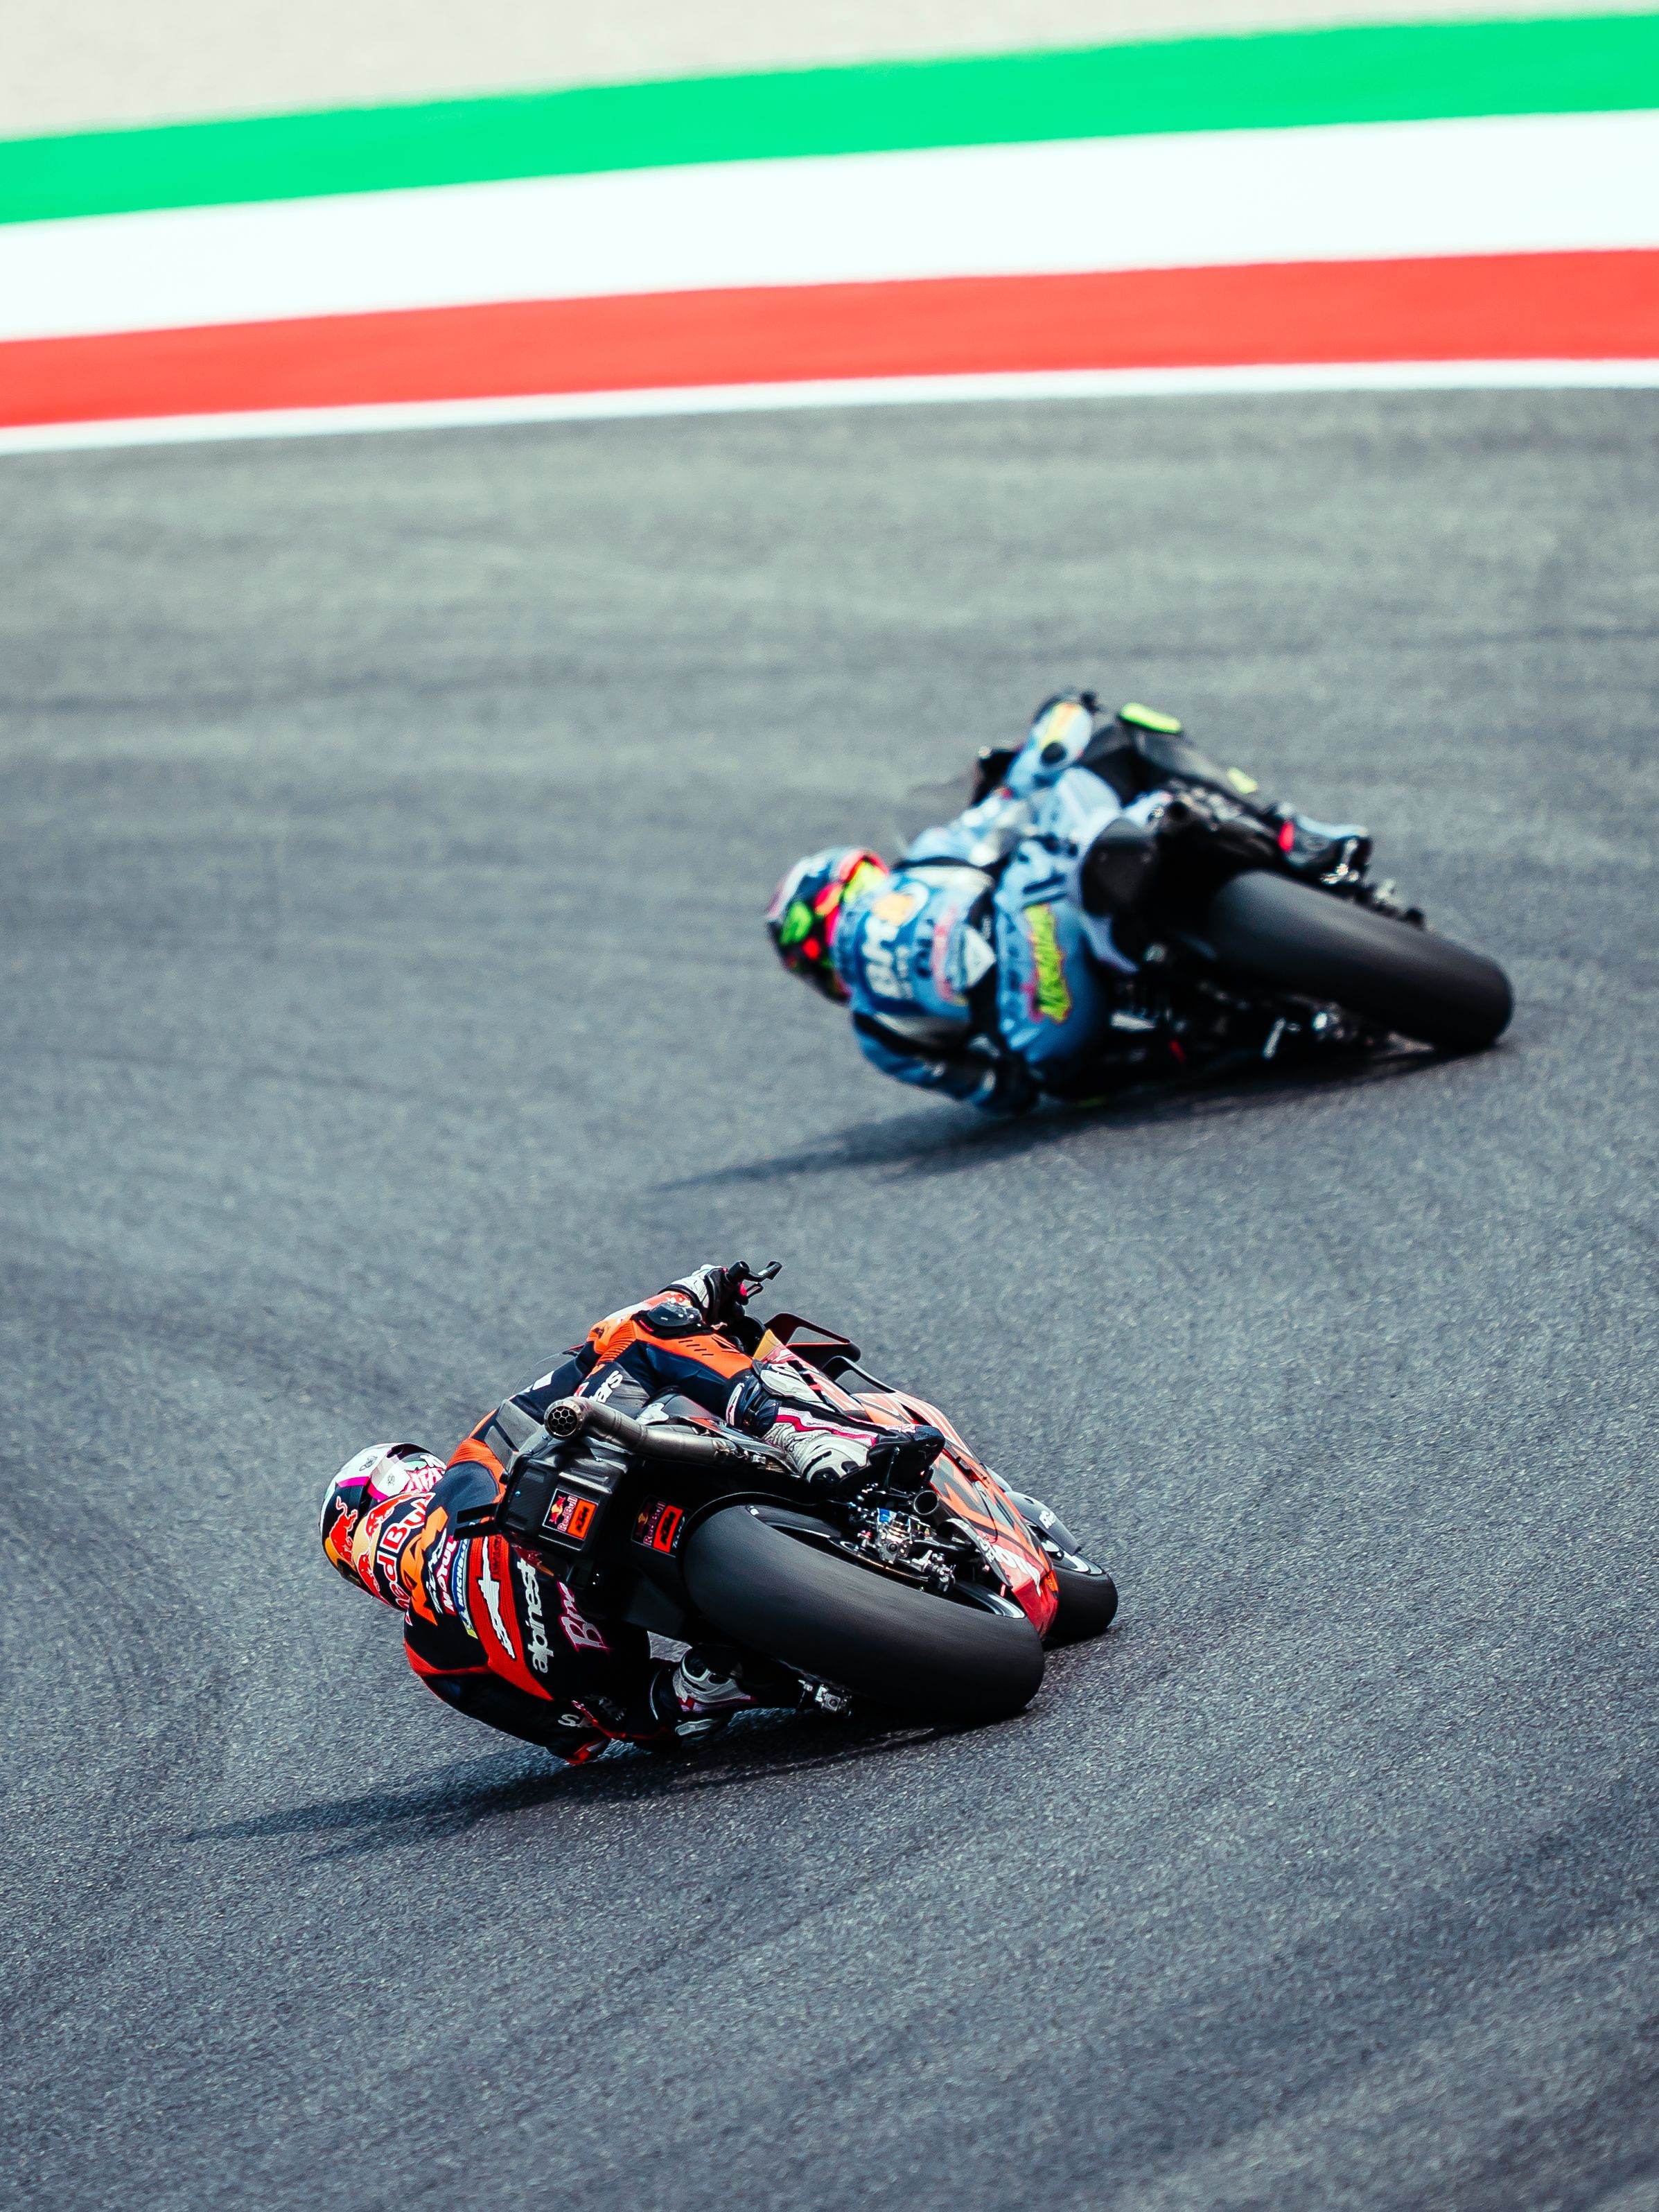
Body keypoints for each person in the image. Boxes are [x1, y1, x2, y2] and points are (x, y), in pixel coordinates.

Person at [318, 1263, 939, 1764]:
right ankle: (800, 1431)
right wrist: (697, 1289)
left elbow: (575, 1739)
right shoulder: (463, 1473)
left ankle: (705, 1688)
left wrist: (649, 1708)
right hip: (542, 1525)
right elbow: (583, 1364)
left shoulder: (429, 1657)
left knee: (634, 1711)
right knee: (643, 1332)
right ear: (400, 1480)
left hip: (600, 1655)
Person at [764, 691, 1364, 1112]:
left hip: (1044, 1016)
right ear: (857, 877)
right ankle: (1292, 834)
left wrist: (1032, 1045)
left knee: (1059, 1077)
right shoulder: (922, 862)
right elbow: (1011, 801)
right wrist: (1063, 715)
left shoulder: (876, 1031)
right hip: (1036, 903)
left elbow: (1002, 1091)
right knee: (1125, 735)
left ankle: (1236, 1032)